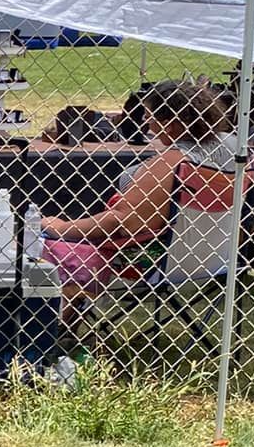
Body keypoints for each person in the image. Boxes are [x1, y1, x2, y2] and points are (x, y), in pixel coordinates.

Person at [40, 81, 237, 295]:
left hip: (150, 264)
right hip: (217, 259)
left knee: (39, 244)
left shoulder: (173, 162)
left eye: (147, 116)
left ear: (167, 124)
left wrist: (60, 227)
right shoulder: (234, 147)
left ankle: (60, 321)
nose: (145, 123)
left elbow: (121, 222)